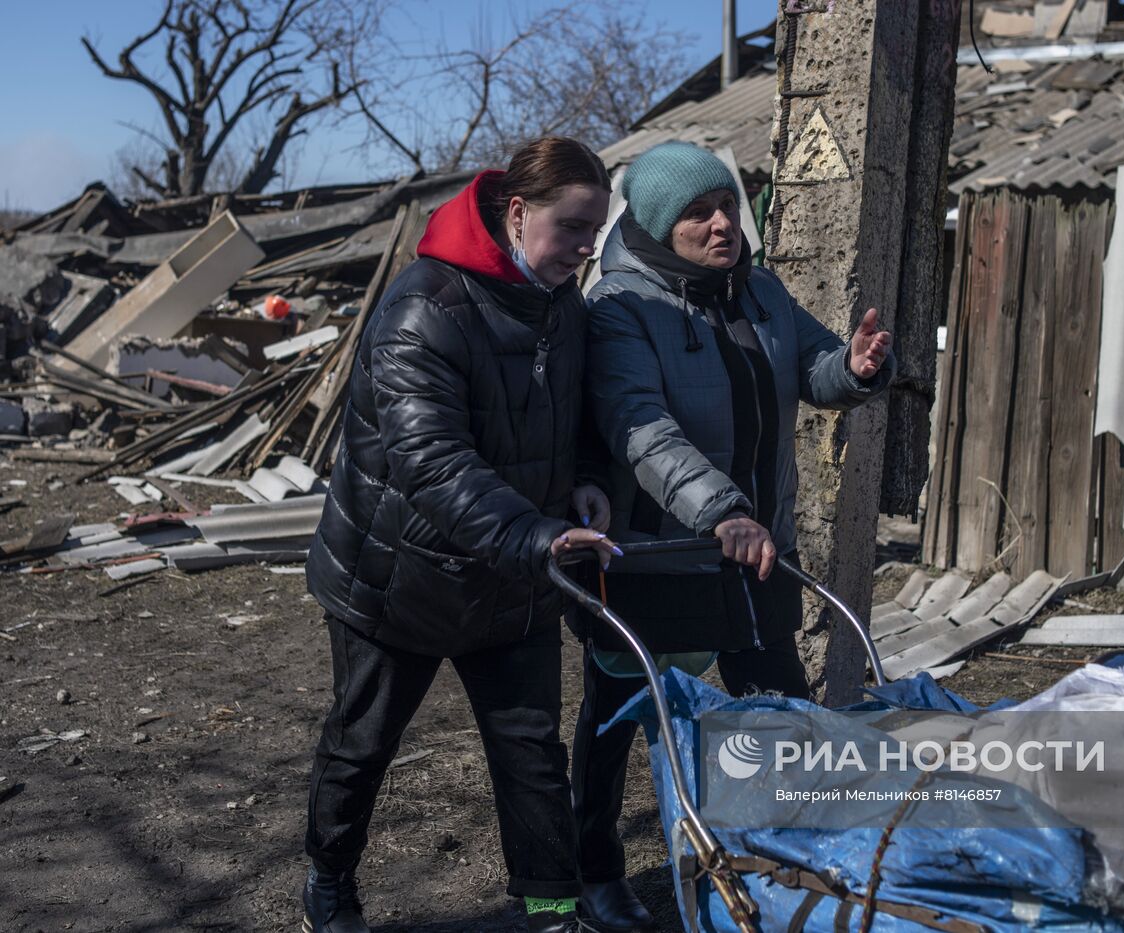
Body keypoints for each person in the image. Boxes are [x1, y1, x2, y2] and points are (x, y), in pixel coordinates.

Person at [572, 141, 894, 931]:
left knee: (779, 710)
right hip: (664, 555)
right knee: (619, 719)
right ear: (654, 222)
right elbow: (638, 428)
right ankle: (589, 870)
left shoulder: (758, 290)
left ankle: (790, 865)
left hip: (756, 549)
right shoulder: (620, 306)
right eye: (697, 213)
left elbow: (813, 367)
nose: (722, 223)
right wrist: (721, 510)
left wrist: (853, 367)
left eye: (727, 205)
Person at [301, 136, 618, 933]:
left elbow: (579, 413)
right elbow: (432, 462)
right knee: (363, 742)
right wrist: (538, 535)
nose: (586, 249)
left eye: (596, 231)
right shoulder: (425, 306)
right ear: (517, 212)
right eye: (572, 228)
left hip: (512, 570)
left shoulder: (562, 302)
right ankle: (328, 884)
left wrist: (587, 476)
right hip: (397, 573)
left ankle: (548, 907)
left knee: (531, 755)